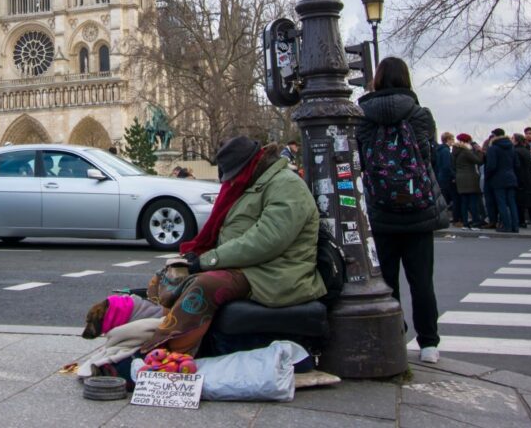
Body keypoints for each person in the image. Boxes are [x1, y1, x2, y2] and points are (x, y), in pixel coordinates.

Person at [139, 138, 324, 357]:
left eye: (234, 175)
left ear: (249, 166)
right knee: (169, 274)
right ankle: (153, 328)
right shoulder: (255, 183)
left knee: (204, 285)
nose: (232, 182)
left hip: (276, 273)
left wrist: (209, 260)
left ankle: (166, 351)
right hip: (253, 266)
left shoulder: (286, 185)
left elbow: (266, 241)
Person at [355, 57, 447, 365]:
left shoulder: (362, 116)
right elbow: (427, 156)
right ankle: (429, 344)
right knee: (422, 281)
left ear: (376, 80)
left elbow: (361, 163)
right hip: (418, 207)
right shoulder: (420, 115)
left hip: (380, 210)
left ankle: (395, 332)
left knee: (387, 281)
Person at [484, 128, 520, 233]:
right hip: (511, 177)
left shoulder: (493, 148)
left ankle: (506, 226)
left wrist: (488, 177)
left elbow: (491, 166)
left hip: (498, 178)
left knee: (502, 203)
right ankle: (515, 226)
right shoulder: (511, 147)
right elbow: (517, 164)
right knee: (512, 203)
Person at [453, 133, 485, 229]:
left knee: (464, 202)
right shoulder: (466, 151)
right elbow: (478, 160)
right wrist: (479, 151)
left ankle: (465, 223)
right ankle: (476, 222)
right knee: (473, 201)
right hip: (470, 178)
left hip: (460, 178)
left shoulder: (455, 151)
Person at [435, 132, 459, 226]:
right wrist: (453, 176)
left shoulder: (439, 150)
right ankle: (455, 219)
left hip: (441, 177)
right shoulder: (446, 151)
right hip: (447, 178)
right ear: (448, 140)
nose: (453, 141)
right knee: (454, 198)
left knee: (444, 199)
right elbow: (447, 166)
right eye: (452, 139)